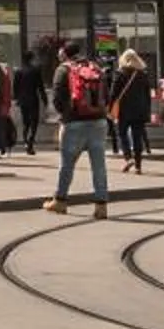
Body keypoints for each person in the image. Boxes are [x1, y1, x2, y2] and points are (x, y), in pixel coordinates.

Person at [45, 43, 113, 220]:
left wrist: (66, 115)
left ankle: (60, 201)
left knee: (67, 164)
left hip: (74, 123)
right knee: (99, 166)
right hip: (98, 122)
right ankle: (101, 206)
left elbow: (57, 98)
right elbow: (107, 95)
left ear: (63, 54)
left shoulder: (63, 70)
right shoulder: (95, 68)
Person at [109, 48, 153, 172]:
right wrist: (147, 111)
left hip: (124, 110)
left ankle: (128, 158)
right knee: (137, 137)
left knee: (122, 134)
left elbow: (113, 93)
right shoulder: (142, 74)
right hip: (140, 110)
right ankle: (138, 165)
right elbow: (147, 95)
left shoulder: (120, 73)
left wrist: (109, 108)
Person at [13, 44, 46, 155]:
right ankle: (30, 142)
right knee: (34, 122)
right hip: (33, 99)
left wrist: (16, 98)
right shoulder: (35, 70)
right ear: (31, 58)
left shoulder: (18, 71)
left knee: (25, 122)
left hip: (23, 100)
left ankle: (26, 141)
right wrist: (44, 99)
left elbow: (15, 87)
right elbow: (40, 86)